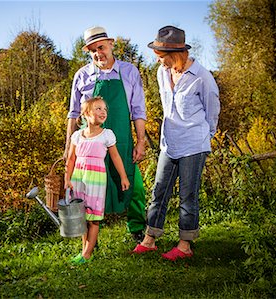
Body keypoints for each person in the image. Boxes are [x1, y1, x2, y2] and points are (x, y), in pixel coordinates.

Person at [132, 25, 220, 261]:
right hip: (169, 143)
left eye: (162, 57)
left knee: (188, 195)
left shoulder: (202, 77)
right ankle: (150, 238)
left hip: (194, 143)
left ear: (177, 55)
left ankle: (184, 246)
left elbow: (212, 112)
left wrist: (204, 136)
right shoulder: (163, 72)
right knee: (159, 189)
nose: (159, 62)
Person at [65, 26, 147, 242]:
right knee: (85, 190)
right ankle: (88, 239)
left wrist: (141, 141)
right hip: (89, 146)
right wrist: (68, 148)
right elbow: (73, 114)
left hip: (121, 140)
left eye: (101, 47)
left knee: (134, 187)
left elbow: (138, 110)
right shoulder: (82, 76)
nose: (97, 53)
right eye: (92, 50)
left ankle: (137, 229)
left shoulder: (129, 72)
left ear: (111, 44)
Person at [65, 96, 130, 265]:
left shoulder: (107, 135)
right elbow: (71, 159)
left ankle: (87, 254)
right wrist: (67, 179)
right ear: (86, 114)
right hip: (79, 178)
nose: (103, 112)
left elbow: (115, 157)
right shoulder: (77, 136)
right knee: (81, 216)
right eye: (98, 109)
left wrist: (123, 176)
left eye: (105, 109)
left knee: (93, 217)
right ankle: (85, 251)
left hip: (96, 180)